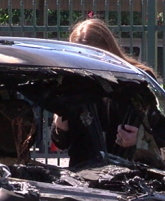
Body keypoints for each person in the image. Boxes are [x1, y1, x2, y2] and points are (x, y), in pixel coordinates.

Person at [51, 19, 158, 167]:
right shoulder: (72, 83)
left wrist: (138, 139)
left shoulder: (137, 78)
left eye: (94, 58)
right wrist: (60, 124)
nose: (88, 66)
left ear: (108, 51)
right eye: (80, 58)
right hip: (83, 175)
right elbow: (61, 143)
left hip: (131, 173)